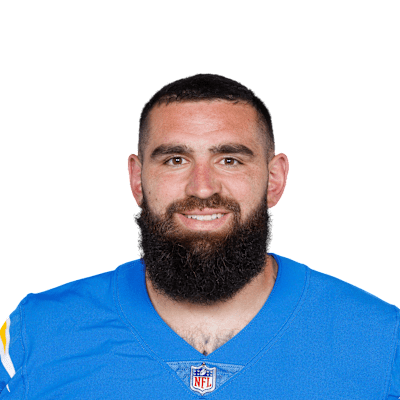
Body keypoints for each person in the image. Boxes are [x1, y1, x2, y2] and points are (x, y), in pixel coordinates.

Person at [1, 73, 399, 398]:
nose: (203, 188)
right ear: (137, 179)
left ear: (275, 179)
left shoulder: (384, 342)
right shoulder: (35, 334)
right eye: (175, 160)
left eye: (230, 160)